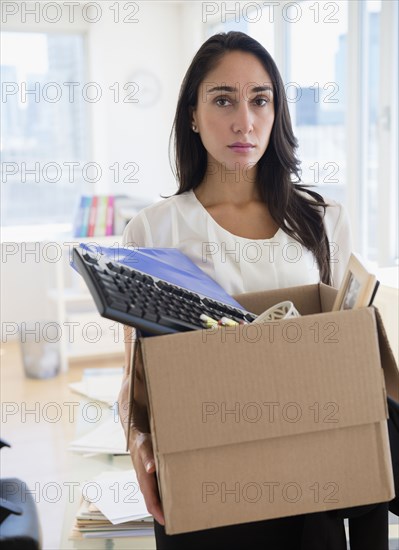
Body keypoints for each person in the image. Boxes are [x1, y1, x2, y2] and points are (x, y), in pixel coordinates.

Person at [117, 31, 360, 549]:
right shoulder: (152, 232)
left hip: (310, 481)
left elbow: (349, 360)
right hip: (203, 480)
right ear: (191, 113)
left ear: (277, 113)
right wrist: (136, 440)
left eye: (260, 100)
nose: (244, 121)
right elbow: (134, 379)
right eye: (223, 99)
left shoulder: (322, 222)